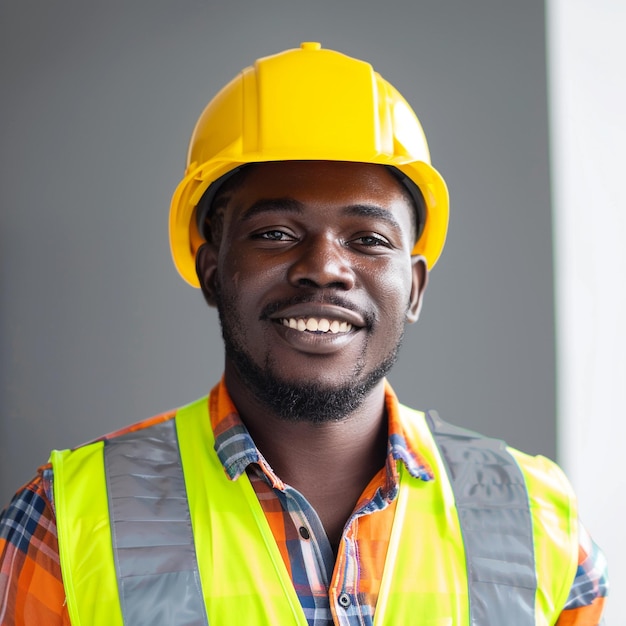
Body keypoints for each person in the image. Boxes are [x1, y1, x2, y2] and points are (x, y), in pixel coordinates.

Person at [0, 42, 608, 625]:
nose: (324, 267)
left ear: (416, 288)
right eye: (275, 234)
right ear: (213, 270)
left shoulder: (535, 517)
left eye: (368, 239)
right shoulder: (67, 518)